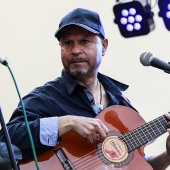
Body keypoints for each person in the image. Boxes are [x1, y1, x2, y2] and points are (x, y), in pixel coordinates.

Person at [0, 7, 170, 170]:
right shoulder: (45, 97)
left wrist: (167, 156)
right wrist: (67, 123)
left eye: (84, 41)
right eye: (67, 43)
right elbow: (4, 143)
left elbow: (136, 166)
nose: (75, 50)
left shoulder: (121, 105)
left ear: (104, 46)